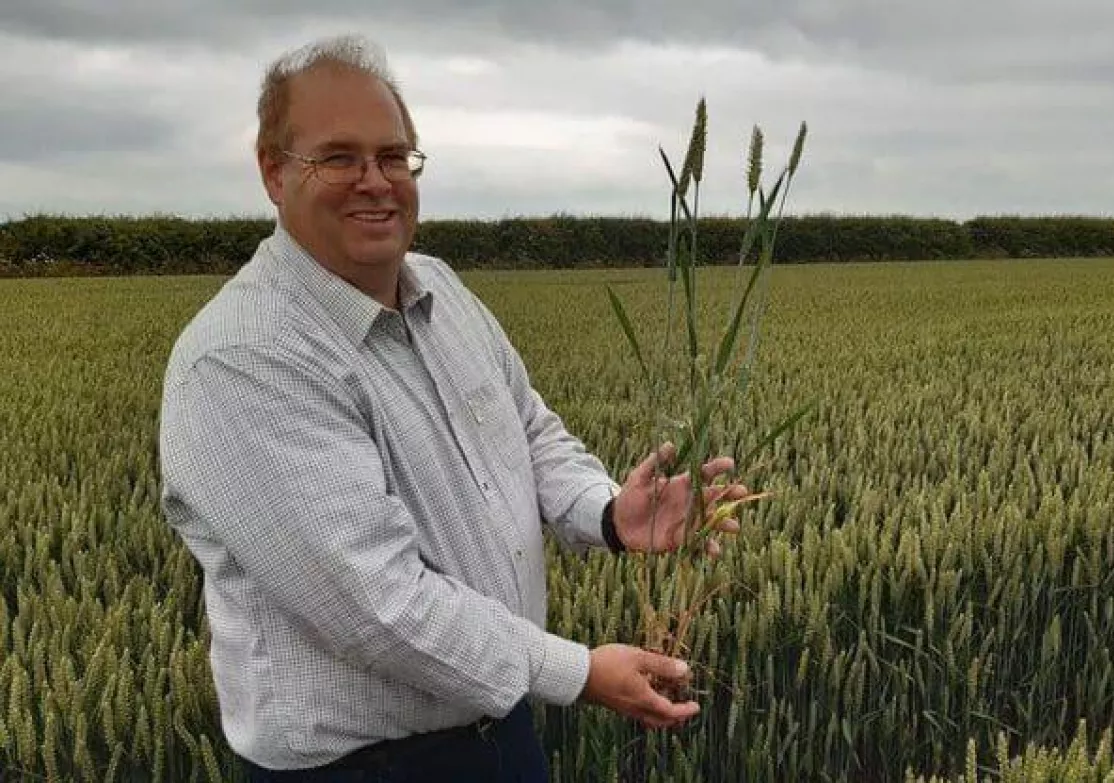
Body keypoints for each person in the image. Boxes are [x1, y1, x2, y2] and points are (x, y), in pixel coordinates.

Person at [157, 33, 749, 782]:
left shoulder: (441, 288)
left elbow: (530, 432)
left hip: (500, 733)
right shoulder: (245, 359)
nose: (375, 180)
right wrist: (577, 671)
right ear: (274, 172)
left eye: (394, 156)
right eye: (339, 158)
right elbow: (377, 604)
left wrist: (608, 513)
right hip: (361, 768)